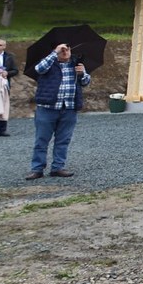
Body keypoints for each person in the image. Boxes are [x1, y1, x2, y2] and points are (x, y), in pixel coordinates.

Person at [27, 42, 90, 181]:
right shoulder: (48, 63)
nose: (65, 52)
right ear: (55, 51)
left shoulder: (76, 64)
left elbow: (85, 82)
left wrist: (82, 74)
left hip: (69, 108)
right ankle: (37, 169)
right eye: (62, 50)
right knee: (41, 140)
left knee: (63, 140)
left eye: (67, 49)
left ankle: (58, 167)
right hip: (47, 108)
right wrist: (54, 53)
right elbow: (39, 69)